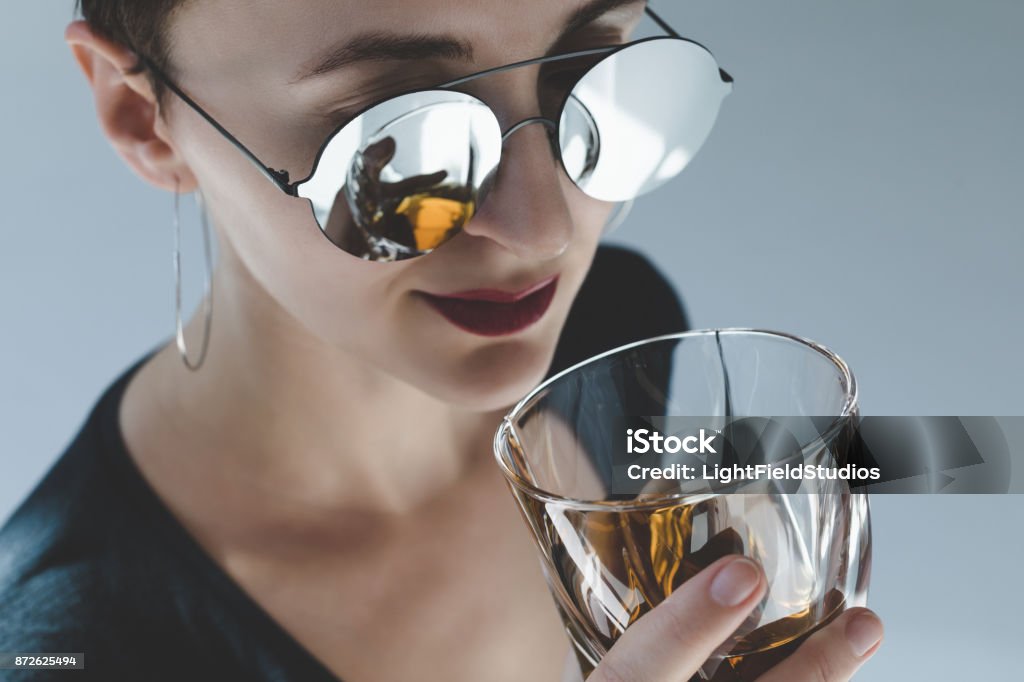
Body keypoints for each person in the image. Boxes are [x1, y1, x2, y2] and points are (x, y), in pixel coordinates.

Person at [0, 1, 883, 680]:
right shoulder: (72, 645)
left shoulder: (614, 330)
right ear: (141, 114)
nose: (546, 230)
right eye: (397, 133)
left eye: (587, 76)